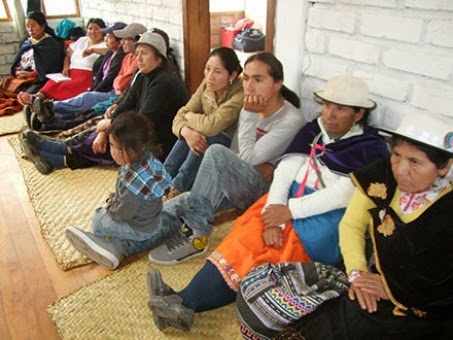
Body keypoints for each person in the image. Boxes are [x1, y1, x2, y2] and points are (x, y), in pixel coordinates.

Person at [146, 75, 389, 331]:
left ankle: (185, 303)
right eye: (327, 105)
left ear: (359, 114)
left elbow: (344, 195)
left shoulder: (370, 148)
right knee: (247, 232)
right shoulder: (314, 130)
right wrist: (274, 210)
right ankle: (184, 300)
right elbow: (286, 170)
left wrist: (289, 212)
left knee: (266, 252)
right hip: (290, 204)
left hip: (328, 220)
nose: (329, 114)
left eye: (340, 108)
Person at [239, 111, 453, 340]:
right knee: (258, 289)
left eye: (415, 162)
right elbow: (351, 225)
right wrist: (357, 273)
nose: (400, 169)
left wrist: (390, 289)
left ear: (443, 167)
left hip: (419, 305)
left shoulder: (446, 210)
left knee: (351, 325)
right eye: (397, 155)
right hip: (364, 279)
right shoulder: (381, 176)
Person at [148, 52, 305, 264]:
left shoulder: (291, 118)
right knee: (183, 203)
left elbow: (246, 159)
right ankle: (125, 237)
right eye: (247, 78)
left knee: (216, 152)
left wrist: (248, 114)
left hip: (261, 193)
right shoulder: (251, 104)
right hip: (236, 179)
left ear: (277, 84)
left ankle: (197, 236)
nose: (249, 86)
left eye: (258, 80)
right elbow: (238, 153)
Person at [19, 32, 188, 175]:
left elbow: (143, 121)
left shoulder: (165, 82)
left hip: (157, 144)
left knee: (115, 140)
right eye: (137, 53)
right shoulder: (145, 74)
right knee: (100, 131)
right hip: (141, 130)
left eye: (144, 53)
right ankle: (55, 152)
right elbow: (127, 102)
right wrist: (108, 124)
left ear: (159, 57)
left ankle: (52, 154)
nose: (138, 58)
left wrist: (110, 127)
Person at [64, 112, 182, 270]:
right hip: (152, 216)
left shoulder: (132, 180)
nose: (110, 149)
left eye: (112, 145)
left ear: (127, 150)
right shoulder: (149, 159)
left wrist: (109, 210)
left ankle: (111, 247)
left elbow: (123, 213)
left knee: (98, 220)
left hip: (141, 227)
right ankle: (111, 248)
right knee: (108, 215)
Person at [164, 47, 243, 197]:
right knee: (188, 136)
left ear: (232, 75)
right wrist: (186, 132)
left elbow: (211, 126)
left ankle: (176, 190)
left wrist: (188, 117)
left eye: (217, 72)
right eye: (207, 69)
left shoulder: (240, 94)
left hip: (226, 148)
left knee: (204, 137)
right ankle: (160, 183)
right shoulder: (207, 84)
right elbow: (179, 116)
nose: (210, 76)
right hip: (204, 137)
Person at [19, 18, 107, 104]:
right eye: (90, 28)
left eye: (96, 29)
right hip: (70, 71)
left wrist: (93, 50)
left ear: (103, 30)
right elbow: (67, 55)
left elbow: (110, 50)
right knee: (53, 83)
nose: (93, 32)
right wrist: (65, 67)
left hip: (86, 75)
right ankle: (35, 98)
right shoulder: (82, 40)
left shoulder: (105, 43)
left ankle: (48, 105)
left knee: (67, 86)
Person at [0, 11, 64, 116]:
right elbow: (18, 61)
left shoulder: (51, 44)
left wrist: (31, 74)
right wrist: (17, 71)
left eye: (33, 26)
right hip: (22, 76)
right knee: (4, 86)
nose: (30, 29)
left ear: (42, 26)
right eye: (27, 26)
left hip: (38, 79)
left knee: (25, 96)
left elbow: (52, 68)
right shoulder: (26, 41)